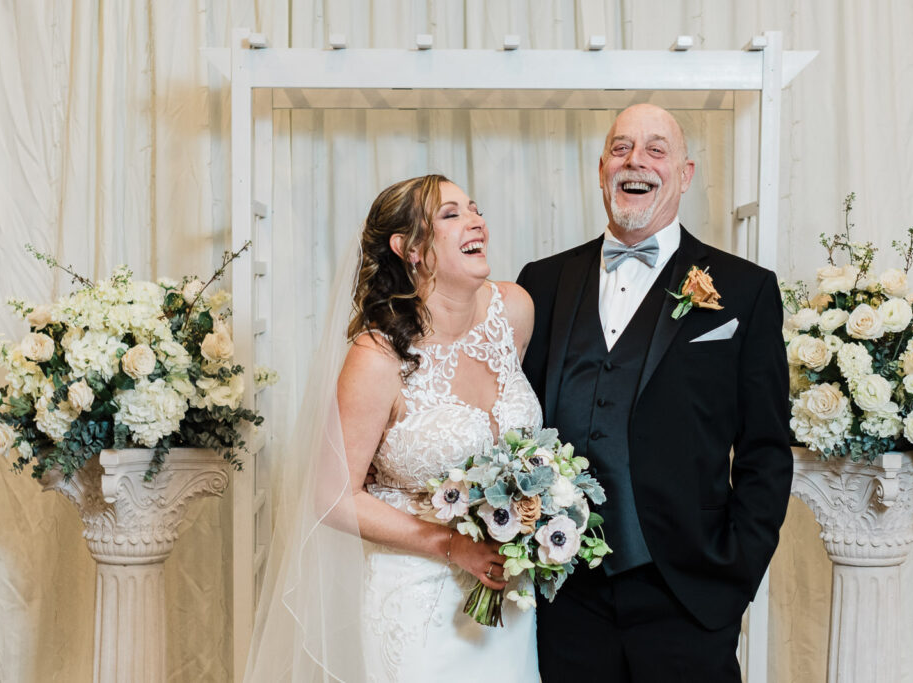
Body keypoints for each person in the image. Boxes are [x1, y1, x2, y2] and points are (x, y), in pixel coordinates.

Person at [517, 104, 793, 682]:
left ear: (685, 174)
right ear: (600, 170)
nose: (635, 161)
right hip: (564, 597)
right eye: (620, 148)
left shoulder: (745, 290)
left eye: (655, 149)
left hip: (689, 595)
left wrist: (734, 576)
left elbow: (766, 449)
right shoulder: (540, 282)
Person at [244, 174, 541, 682]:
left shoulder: (513, 310)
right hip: (418, 600)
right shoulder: (377, 357)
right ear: (410, 249)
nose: (477, 222)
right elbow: (333, 498)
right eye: (451, 215)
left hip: (507, 597)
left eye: (475, 208)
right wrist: (450, 546)